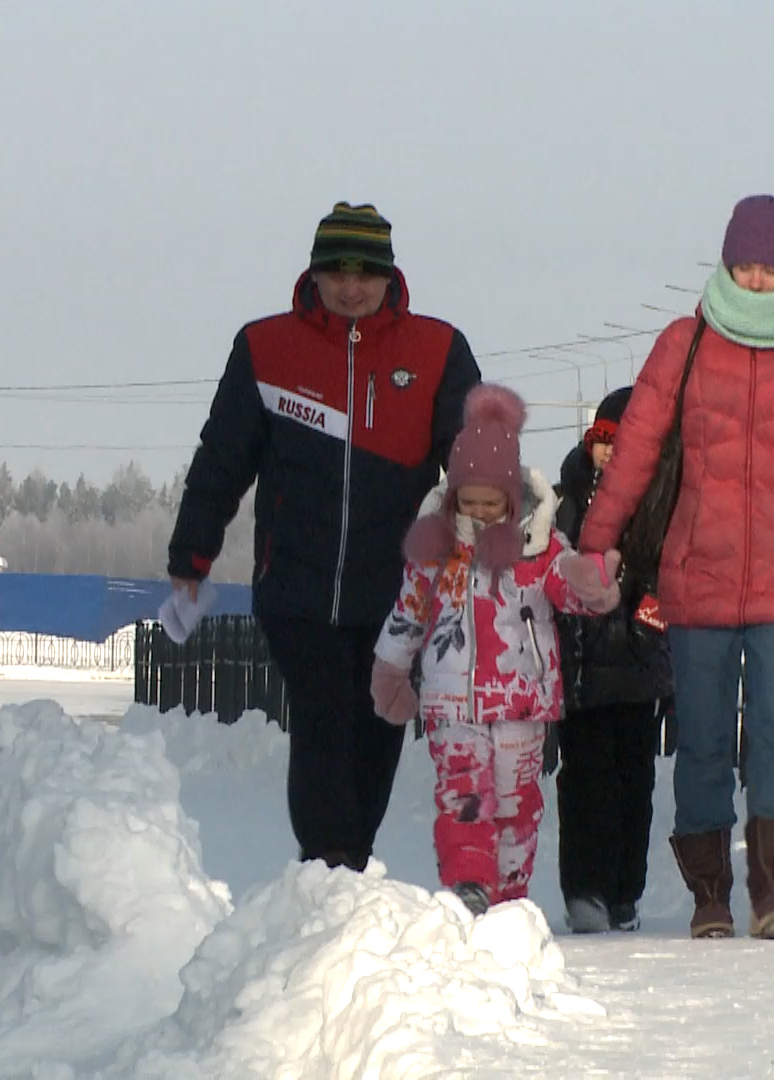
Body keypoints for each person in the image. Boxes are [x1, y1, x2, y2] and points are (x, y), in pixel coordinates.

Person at [577, 194, 774, 940]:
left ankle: (770, 893)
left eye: (769, 268)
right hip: (696, 574)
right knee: (703, 739)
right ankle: (710, 895)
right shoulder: (686, 342)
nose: (755, 280)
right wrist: (596, 540)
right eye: (743, 265)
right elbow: (638, 445)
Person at [166, 201, 482, 872]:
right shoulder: (265, 346)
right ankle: (327, 860)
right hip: (295, 585)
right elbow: (224, 457)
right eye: (336, 271)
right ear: (313, 274)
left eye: (365, 272)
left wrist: (490, 543)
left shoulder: (436, 350)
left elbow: (475, 461)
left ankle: (351, 860)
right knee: (324, 714)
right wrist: (192, 552)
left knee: (377, 720)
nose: (350, 287)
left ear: (389, 276)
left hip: (396, 588)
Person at [369, 384, 621, 916]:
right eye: (469, 500)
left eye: (491, 502)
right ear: (453, 493)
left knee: (515, 801)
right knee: (465, 794)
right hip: (450, 699)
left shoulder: (540, 544)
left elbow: (567, 590)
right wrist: (391, 666)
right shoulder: (436, 546)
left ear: (512, 496)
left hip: (520, 697)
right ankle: (469, 884)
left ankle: (508, 898)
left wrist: (589, 581)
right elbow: (410, 610)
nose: (480, 513)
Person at [553, 387, 674, 934]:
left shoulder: (659, 504)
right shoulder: (564, 502)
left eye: (621, 442)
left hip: (637, 666)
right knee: (584, 780)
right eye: (601, 439)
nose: (608, 451)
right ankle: (585, 890)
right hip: (580, 666)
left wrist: (649, 620)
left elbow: (668, 571)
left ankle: (624, 890)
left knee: (633, 783)